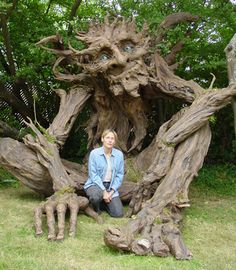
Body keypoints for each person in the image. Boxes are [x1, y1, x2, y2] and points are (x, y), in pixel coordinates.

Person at [84, 129, 124, 217]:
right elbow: (93, 175)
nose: (110, 140)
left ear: (114, 141)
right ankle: (96, 209)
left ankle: (103, 204)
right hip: (95, 184)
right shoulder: (94, 153)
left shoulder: (119, 155)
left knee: (118, 214)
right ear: (102, 139)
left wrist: (111, 192)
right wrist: (104, 192)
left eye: (112, 138)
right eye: (107, 138)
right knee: (95, 197)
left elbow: (120, 175)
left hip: (110, 186)